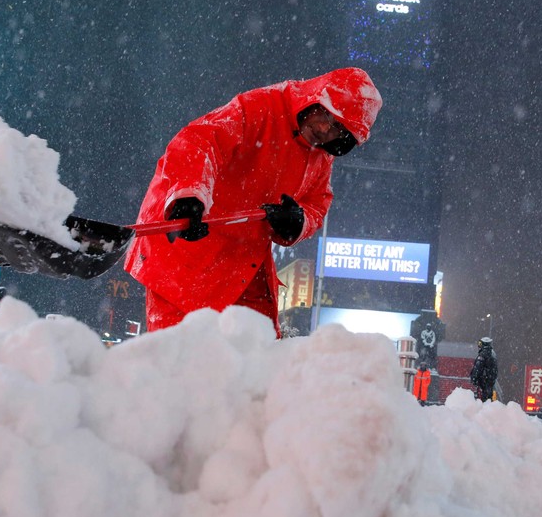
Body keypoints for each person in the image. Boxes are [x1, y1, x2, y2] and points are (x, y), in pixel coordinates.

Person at [125, 67, 382, 336]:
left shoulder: (320, 155)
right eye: (327, 115)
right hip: (183, 252)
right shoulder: (261, 107)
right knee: (181, 360)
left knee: (258, 357)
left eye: (338, 130)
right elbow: (200, 140)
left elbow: (318, 202)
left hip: (242, 262)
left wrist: (298, 221)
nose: (324, 130)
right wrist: (189, 194)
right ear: (314, 98)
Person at [470, 336, 498, 402]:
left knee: (483, 400)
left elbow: (477, 367)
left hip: (483, 381)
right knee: (488, 398)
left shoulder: (482, 355)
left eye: (480, 343)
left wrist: (474, 378)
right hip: (490, 381)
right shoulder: (492, 354)